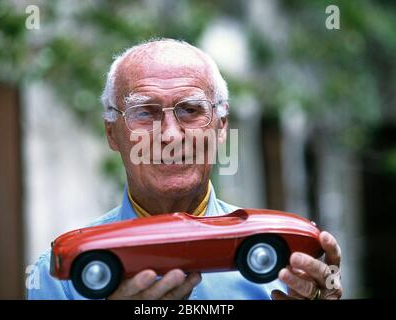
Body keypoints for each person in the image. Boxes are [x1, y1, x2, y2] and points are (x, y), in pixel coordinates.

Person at [27, 38, 342, 300]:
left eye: (190, 110)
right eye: (145, 112)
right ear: (112, 133)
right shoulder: (63, 277)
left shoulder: (284, 263)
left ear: (220, 127)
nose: (170, 135)